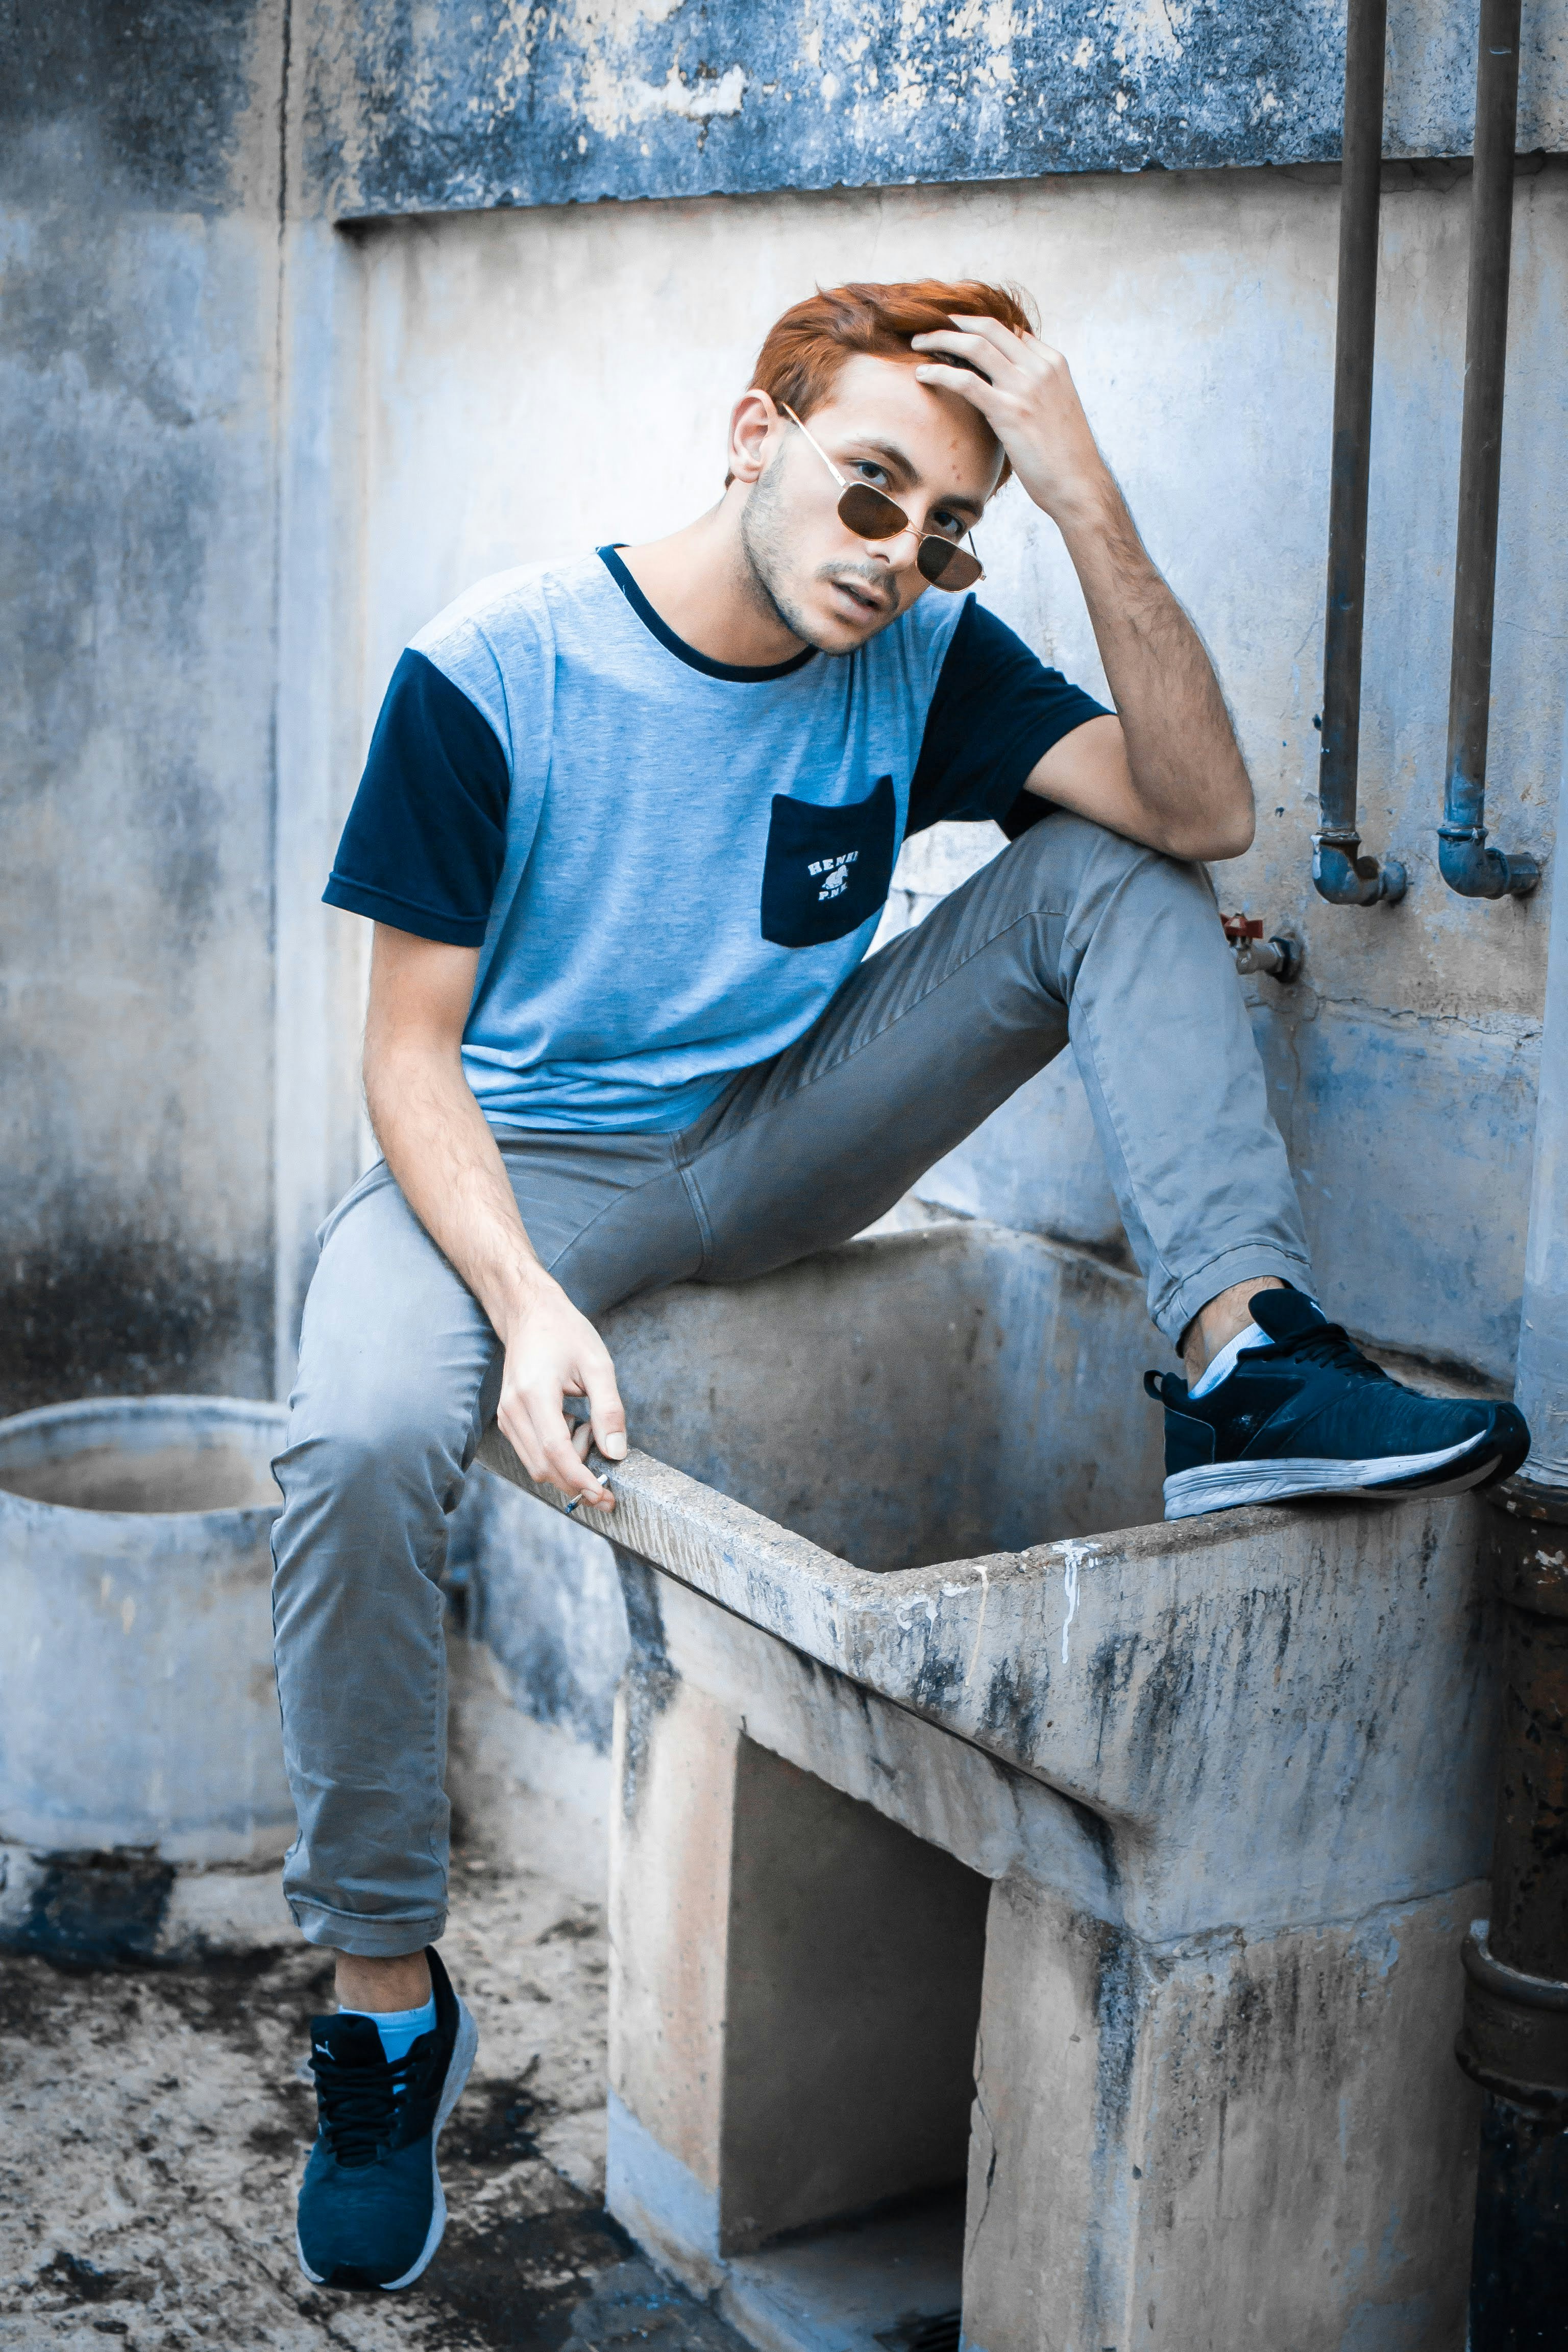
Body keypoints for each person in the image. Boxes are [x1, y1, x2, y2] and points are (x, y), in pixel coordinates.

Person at [271, 279, 1529, 2291]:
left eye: (948, 525)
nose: (902, 560)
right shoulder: (493, 671)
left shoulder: (925, 661)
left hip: (779, 1137)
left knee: (1114, 866)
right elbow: (406, 1055)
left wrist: (1084, 493)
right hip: (517, 1172)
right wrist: (522, 1302)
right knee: (346, 1436)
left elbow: (1202, 814)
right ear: (752, 431)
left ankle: (1243, 1351)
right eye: (872, 495)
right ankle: (383, 1992)